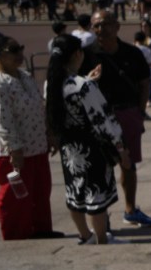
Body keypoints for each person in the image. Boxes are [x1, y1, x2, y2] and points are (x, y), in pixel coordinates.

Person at [45, 34, 128, 245]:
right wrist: (120, 147)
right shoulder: (82, 86)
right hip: (92, 145)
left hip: (69, 146)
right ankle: (101, 238)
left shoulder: (52, 84)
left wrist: (88, 81)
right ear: (77, 54)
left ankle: (85, 235)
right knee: (96, 193)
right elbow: (103, 118)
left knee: (75, 190)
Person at [0, 36, 59, 240]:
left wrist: (48, 134)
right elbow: (1, 121)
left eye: (19, 48)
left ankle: (40, 228)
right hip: (12, 149)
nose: (18, 54)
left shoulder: (23, 76)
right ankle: (17, 232)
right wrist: (14, 148)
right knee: (16, 193)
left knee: (40, 190)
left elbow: (38, 107)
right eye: (12, 50)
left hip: (35, 144)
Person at [87, 10, 151, 229]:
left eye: (105, 24)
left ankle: (130, 209)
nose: (101, 29)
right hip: (98, 117)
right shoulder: (86, 54)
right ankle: (102, 214)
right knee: (100, 167)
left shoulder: (132, 53)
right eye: (96, 25)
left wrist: (139, 111)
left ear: (117, 26)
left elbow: (144, 83)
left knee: (129, 164)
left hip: (127, 112)